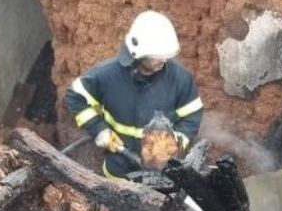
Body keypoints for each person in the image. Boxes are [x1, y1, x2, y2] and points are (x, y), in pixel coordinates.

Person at [65, 10, 204, 178]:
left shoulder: (180, 78)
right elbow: (75, 97)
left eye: (166, 55)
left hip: (160, 168)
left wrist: (173, 143)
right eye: (158, 54)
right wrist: (99, 129)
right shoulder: (107, 75)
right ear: (139, 52)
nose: (164, 60)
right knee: (118, 199)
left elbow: (192, 117)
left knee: (157, 200)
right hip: (118, 164)